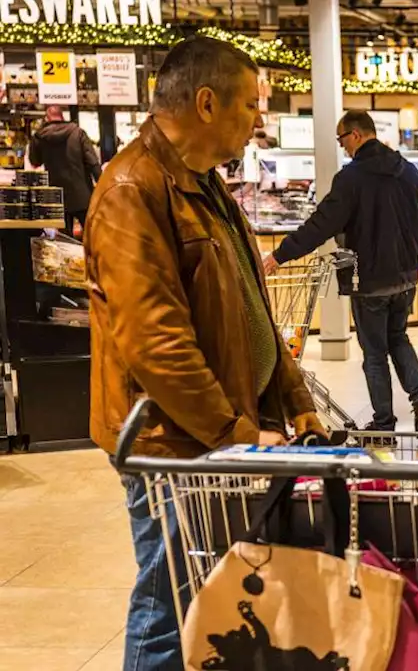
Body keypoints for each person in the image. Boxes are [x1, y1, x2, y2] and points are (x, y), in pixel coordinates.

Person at [84, 37, 324, 671]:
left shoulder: (200, 184)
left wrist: (296, 401)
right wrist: (234, 434)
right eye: (251, 105)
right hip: (168, 443)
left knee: (205, 602)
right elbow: (156, 342)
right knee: (168, 609)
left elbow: (250, 311)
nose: (259, 121)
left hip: (204, 440)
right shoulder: (132, 189)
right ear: (208, 102)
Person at [263, 110, 418, 432]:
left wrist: (278, 256)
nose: (342, 147)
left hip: (368, 279)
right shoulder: (408, 172)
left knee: (374, 353)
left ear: (356, 135)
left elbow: (320, 225)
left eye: (342, 139)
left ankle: (384, 423)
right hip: (406, 277)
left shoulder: (351, 179)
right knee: (398, 338)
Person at [29, 105, 101, 238]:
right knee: (93, 237)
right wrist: (102, 185)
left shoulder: (39, 137)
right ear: (62, 116)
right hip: (82, 195)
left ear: (47, 118)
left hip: (58, 198)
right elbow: (92, 162)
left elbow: (34, 161)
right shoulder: (77, 132)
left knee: (65, 244)